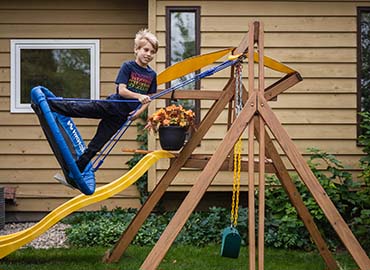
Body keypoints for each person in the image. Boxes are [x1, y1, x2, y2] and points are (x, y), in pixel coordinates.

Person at [48, 29, 158, 173]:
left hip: (121, 117)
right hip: (112, 105)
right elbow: (122, 91)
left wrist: (139, 111)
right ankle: (50, 105)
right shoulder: (128, 67)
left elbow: (149, 98)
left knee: (98, 143)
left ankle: (77, 169)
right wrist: (138, 96)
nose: (149, 54)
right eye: (146, 50)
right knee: (80, 109)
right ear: (136, 49)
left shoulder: (152, 75)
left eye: (152, 52)